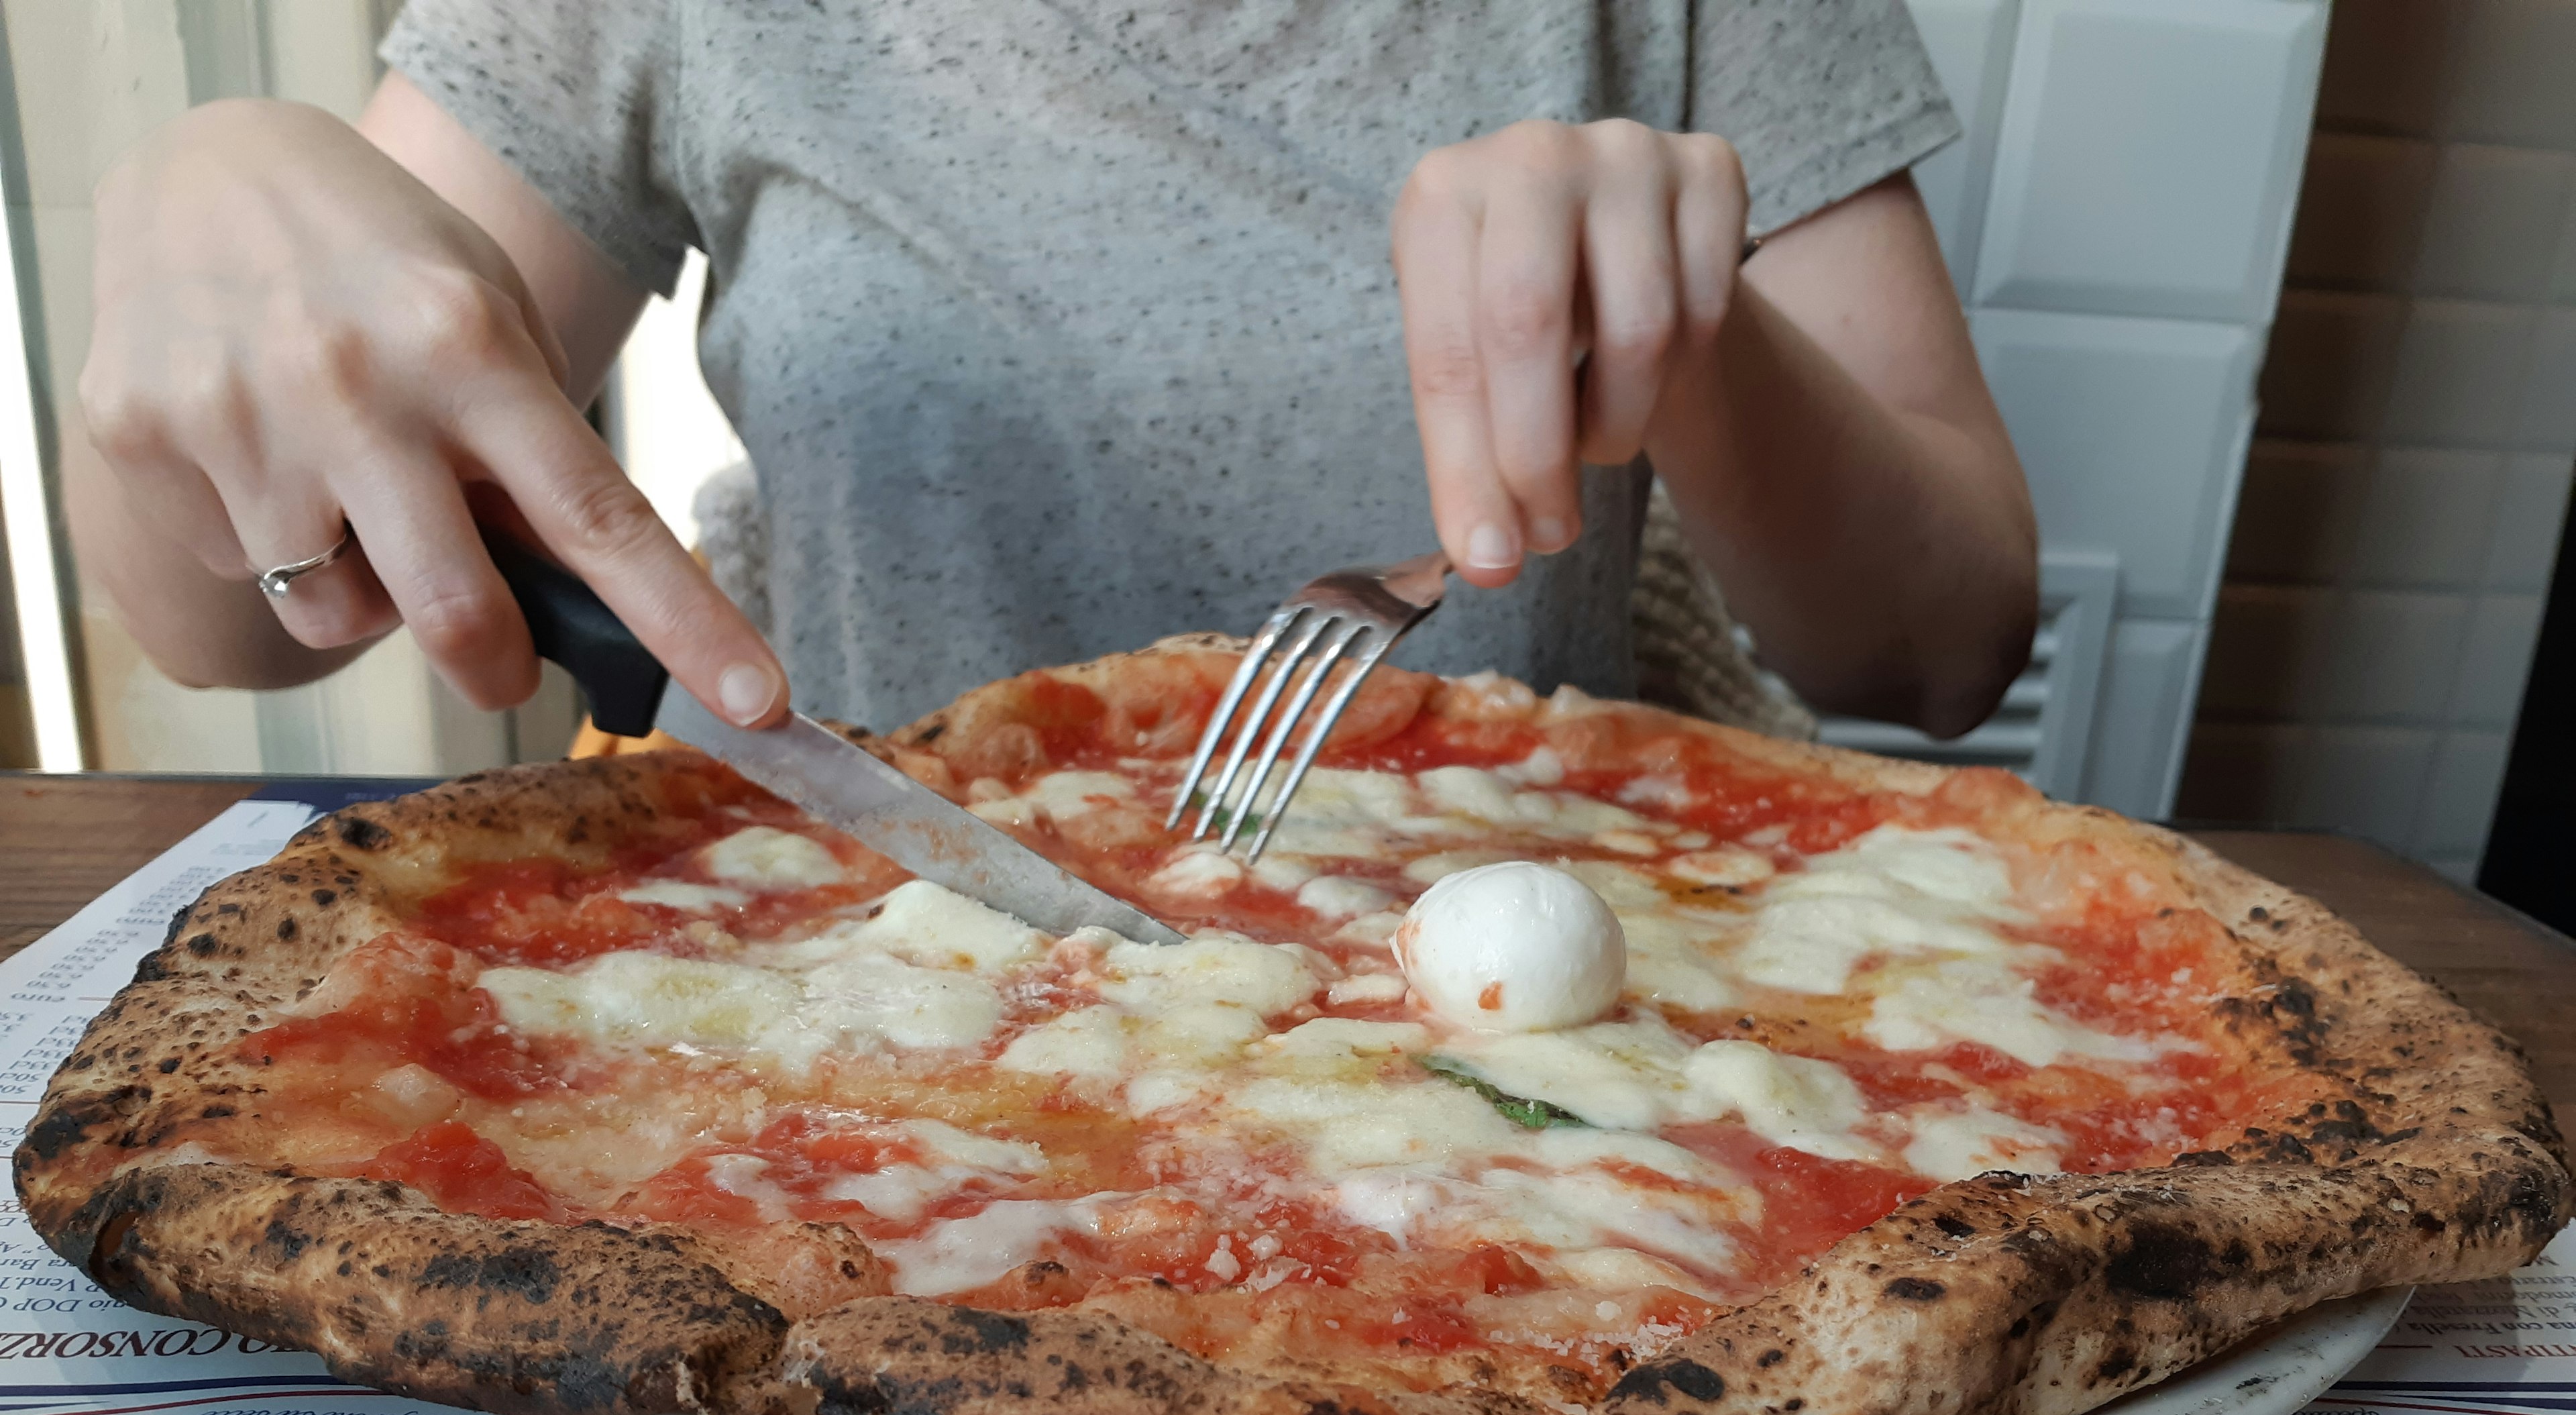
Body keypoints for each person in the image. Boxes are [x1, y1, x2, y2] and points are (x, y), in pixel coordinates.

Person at [68, 1, 2035, 750]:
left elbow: (1940, 655)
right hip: (872, 1019)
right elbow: (233, 634)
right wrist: (199, 207)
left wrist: (1706, 358)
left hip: (1558, 1051)